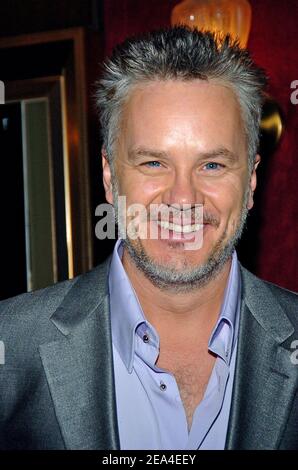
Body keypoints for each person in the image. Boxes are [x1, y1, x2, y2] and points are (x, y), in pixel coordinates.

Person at [0, 26, 297, 451]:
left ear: (250, 180)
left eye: (212, 165)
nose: (182, 197)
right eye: (154, 162)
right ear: (109, 176)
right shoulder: (10, 347)